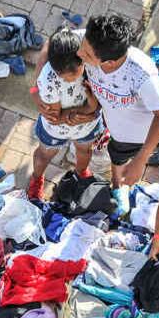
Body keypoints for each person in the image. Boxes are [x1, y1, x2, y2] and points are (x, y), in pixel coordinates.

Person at [77, 13, 159, 206]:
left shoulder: (141, 74)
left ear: (110, 62)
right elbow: (52, 45)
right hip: (123, 131)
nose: (79, 54)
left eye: (87, 55)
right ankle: (117, 188)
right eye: (82, 47)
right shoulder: (91, 39)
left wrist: (140, 160)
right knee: (117, 156)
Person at [27, 29, 104, 200]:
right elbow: (54, 117)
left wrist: (90, 111)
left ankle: (81, 173)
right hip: (56, 129)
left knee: (84, 150)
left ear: (82, 58)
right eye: (67, 76)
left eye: (77, 70)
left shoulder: (88, 55)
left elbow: (98, 99)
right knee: (44, 154)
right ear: (57, 71)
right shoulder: (48, 80)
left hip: (86, 127)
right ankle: (37, 178)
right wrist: (87, 112)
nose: (73, 78)